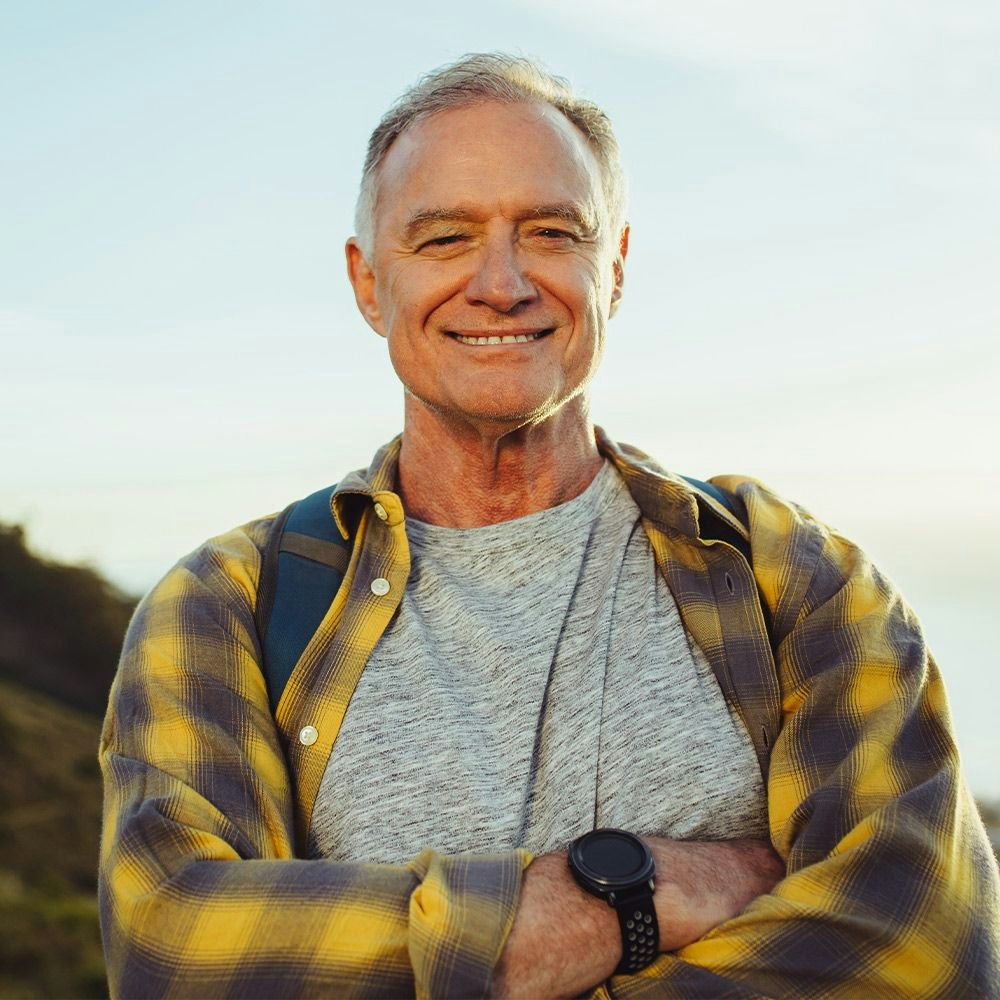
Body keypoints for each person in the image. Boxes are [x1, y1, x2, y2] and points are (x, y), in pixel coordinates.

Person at [99, 53, 999, 998]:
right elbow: (176, 951)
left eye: (550, 232)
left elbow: (921, 947)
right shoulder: (228, 603)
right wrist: (622, 897)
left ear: (612, 268)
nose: (500, 283)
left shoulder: (795, 576)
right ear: (370, 284)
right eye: (445, 238)